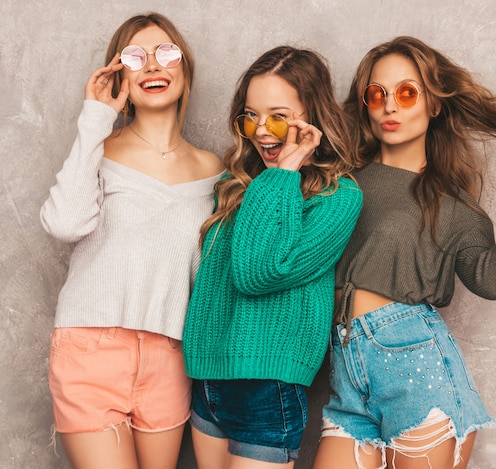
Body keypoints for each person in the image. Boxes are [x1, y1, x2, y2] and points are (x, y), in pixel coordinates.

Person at [312, 36, 496, 469]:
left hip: (417, 372)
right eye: (377, 94)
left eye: (406, 93)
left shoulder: (452, 204)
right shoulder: (341, 181)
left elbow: (490, 280)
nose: (390, 106)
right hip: (346, 375)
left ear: (434, 105)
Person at [40, 13, 223, 469]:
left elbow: (208, 275)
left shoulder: (214, 169)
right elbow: (64, 223)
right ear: (119, 74)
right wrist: (94, 118)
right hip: (91, 348)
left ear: (185, 68)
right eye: (135, 57)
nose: (153, 66)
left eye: (166, 53)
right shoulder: (100, 147)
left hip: (170, 354)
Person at [182, 46, 363, 468]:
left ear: (311, 116)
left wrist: (285, 171)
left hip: (270, 387)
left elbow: (259, 272)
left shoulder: (339, 198)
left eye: (278, 116)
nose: (262, 131)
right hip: (210, 379)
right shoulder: (234, 181)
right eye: (251, 116)